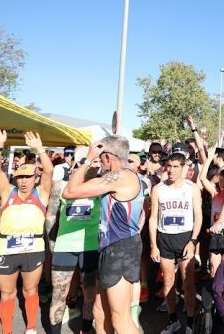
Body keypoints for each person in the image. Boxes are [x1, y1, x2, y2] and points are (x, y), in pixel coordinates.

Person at [63, 136, 144, 334]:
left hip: (121, 249)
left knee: (120, 320)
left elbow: (70, 191)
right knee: (99, 313)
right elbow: (85, 182)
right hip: (111, 248)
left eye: (101, 158)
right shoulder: (117, 176)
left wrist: (88, 160)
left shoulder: (120, 177)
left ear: (108, 157)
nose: (99, 162)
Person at [0, 126, 53, 334]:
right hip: (6, 247)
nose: (24, 181)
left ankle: (31, 327)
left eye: (28, 177)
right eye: (20, 177)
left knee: (30, 290)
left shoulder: (41, 194)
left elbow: (49, 171)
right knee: (7, 294)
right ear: (15, 178)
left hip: (33, 247)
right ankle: (7, 330)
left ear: (35, 177)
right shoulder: (8, 193)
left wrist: (40, 150)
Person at [46, 148, 100, 334]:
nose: (93, 167)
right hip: (64, 246)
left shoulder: (101, 187)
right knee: (59, 294)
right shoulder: (61, 186)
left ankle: (85, 329)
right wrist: (52, 243)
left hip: (90, 247)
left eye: (95, 164)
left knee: (89, 294)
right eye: (88, 163)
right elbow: (51, 215)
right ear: (76, 164)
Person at [149, 152, 203, 334]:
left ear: (183, 168)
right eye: (168, 166)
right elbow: (153, 217)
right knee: (168, 282)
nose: (171, 170)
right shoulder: (158, 189)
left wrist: (193, 241)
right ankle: (173, 319)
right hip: (165, 237)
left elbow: (199, 217)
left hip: (185, 237)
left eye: (175, 167)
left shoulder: (192, 188)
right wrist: (153, 245)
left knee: (188, 283)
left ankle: (189, 320)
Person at [200, 147, 224, 277]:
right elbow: (202, 178)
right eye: (220, 181)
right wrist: (210, 157)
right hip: (216, 235)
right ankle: (214, 289)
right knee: (213, 265)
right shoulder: (215, 193)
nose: (222, 184)